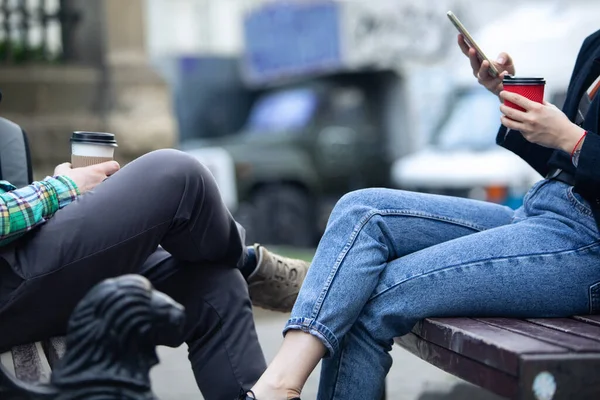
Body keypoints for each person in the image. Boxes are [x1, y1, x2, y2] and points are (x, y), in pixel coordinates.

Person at [238, 28, 600, 400]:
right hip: (543, 209)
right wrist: (510, 98)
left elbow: (573, 145)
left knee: (370, 300)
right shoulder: (595, 43)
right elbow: (563, 164)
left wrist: (572, 139)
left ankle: (276, 389)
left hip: (589, 240)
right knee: (360, 210)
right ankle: (279, 383)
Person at [0, 148, 310, 400]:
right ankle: (251, 265)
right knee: (176, 174)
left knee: (215, 285)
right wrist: (62, 188)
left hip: (21, 245)